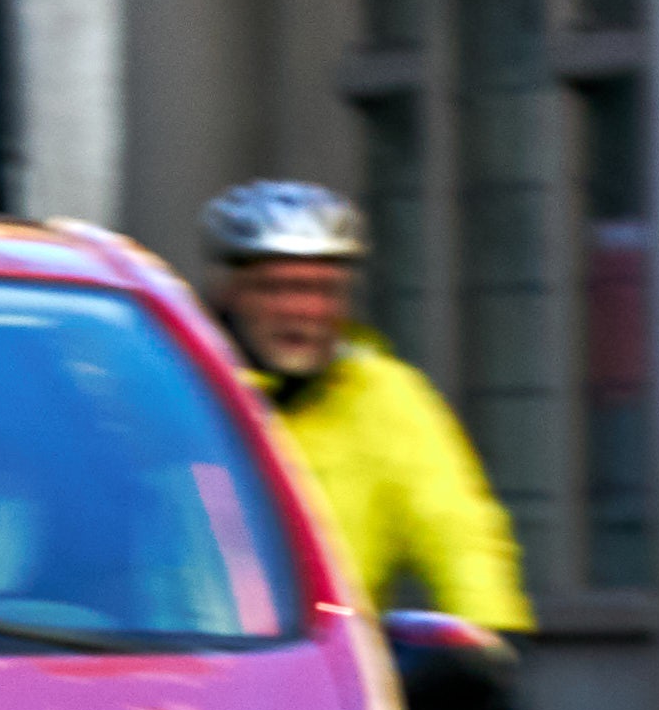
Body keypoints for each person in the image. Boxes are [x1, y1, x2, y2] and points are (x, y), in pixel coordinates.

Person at [195, 182, 528, 631]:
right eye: (276, 288)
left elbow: (460, 532)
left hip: (334, 673)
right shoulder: (185, 393)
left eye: (322, 290)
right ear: (229, 293)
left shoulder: (384, 395)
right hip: (186, 668)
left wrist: (493, 640)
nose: (302, 309)